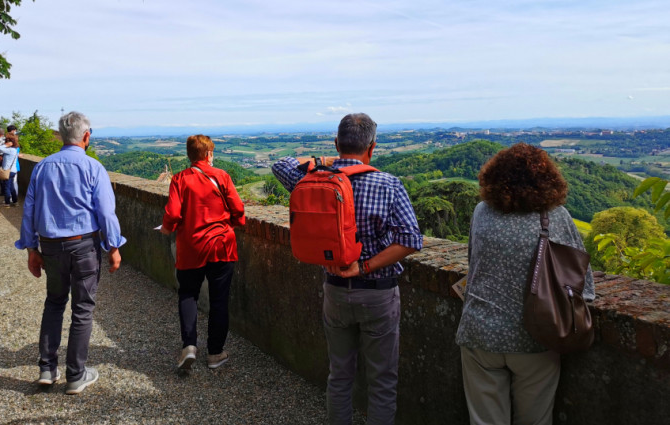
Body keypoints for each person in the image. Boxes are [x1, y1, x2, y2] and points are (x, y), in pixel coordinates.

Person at [272, 113, 422, 425]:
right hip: (378, 294)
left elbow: (281, 163)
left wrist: (327, 158)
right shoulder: (388, 184)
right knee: (382, 381)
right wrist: (365, 265)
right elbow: (410, 240)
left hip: (335, 292)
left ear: (337, 143)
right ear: (373, 147)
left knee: (339, 376)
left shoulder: (312, 179)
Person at [455, 143, 595, 425]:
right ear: (548, 179)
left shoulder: (482, 211)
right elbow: (584, 285)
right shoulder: (557, 217)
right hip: (535, 336)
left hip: (479, 333)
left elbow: (474, 261)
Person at [15, 111, 125, 395]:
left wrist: (30, 249)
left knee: (54, 303)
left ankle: (47, 369)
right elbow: (105, 212)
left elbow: (29, 211)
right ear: (86, 137)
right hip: (83, 246)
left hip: (50, 246)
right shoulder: (93, 168)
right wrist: (114, 247)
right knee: (83, 309)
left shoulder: (42, 167)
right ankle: (76, 375)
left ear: (62, 136)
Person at [160, 135, 246, 371]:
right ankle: (215, 354)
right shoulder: (222, 176)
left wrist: (167, 228)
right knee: (219, 300)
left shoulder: (179, 179)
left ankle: (189, 346)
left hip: (190, 247)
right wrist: (236, 222)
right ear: (209, 154)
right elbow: (238, 209)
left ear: (190, 155)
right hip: (221, 245)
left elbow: (174, 213)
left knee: (188, 294)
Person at [0, 137, 20, 206]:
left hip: (8, 171)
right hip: (13, 170)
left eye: (6, 142)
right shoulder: (14, 150)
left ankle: (7, 202)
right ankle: (15, 201)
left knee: (7, 187)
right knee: (11, 186)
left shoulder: (10, 150)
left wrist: (6, 145)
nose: (5, 143)